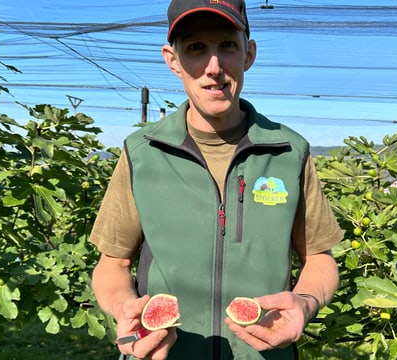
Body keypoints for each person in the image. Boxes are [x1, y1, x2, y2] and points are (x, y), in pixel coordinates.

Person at [90, 0, 343, 358]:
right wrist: (125, 311)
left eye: (227, 46)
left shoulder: (288, 152)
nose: (214, 67)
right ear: (172, 60)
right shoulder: (142, 152)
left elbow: (319, 257)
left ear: (248, 54)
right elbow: (112, 265)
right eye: (196, 48)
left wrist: (305, 301)